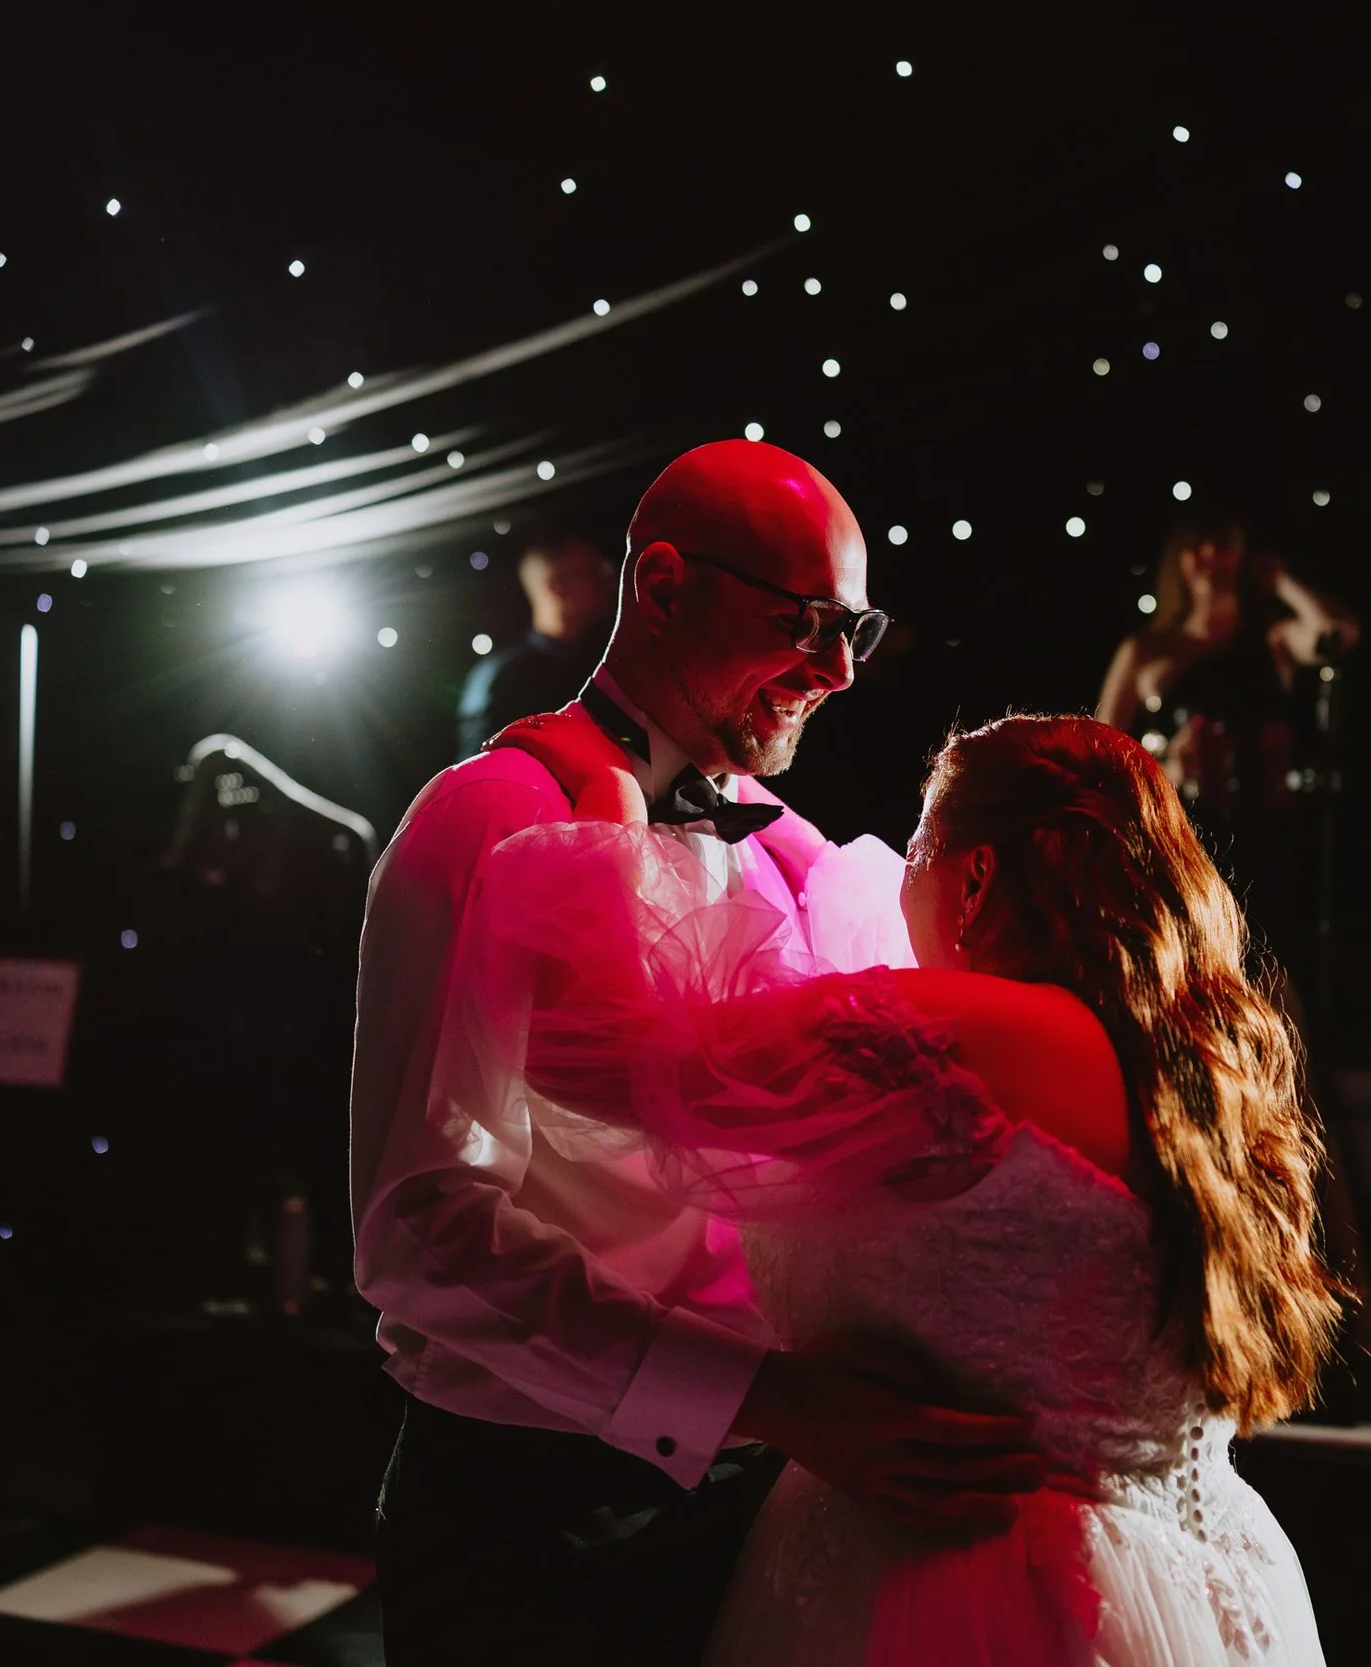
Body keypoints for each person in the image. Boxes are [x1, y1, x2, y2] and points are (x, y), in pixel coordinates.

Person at [351, 441, 1047, 1666]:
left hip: (763, 1493)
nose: (836, 671)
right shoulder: (487, 818)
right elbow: (419, 1233)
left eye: (856, 631)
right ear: (663, 585)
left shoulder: (792, 850)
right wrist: (764, 1399)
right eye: (806, 622)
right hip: (531, 1513)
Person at [468, 707, 1341, 1665]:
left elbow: (589, 1051)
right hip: (1189, 1573)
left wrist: (608, 811)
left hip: (975, 1593)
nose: (897, 876)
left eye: (918, 844)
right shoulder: (1201, 1060)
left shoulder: (964, 1037)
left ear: (977, 875)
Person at [1096, 514, 1358, 995]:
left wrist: (1279, 581)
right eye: (1199, 546)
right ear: (1179, 559)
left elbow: (1336, 634)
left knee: (1264, 971)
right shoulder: (1149, 649)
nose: (1211, 558)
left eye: (1223, 546)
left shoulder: (1271, 639)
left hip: (1263, 829)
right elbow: (1099, 749)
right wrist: (1161, 771)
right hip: (1179, 828)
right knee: (1187, 966)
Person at [454, 534, 618, 761]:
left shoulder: (600, 661)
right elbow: (482, 775)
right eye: (592, 574)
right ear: (556, 586)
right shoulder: (502, 680)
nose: (609, 584)